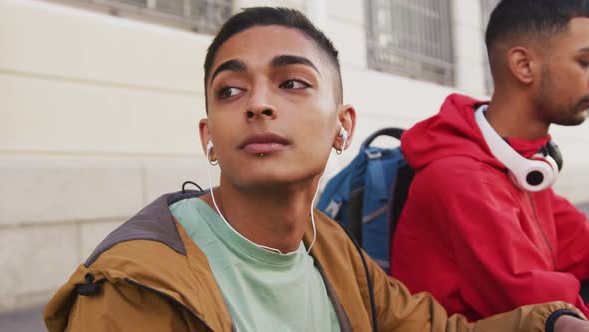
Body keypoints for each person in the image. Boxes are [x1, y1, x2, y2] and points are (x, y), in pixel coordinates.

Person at [44, 6, 588, 332]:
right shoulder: (133, 289)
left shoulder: (329, 247)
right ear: (209, 138)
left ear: (342, 127)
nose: (257, 104)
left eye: (292, 83)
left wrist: (549, 321)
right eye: (230, 90)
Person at [391, 0, 589, 323]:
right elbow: (550, 313)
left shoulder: (522, 165)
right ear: (524, 66)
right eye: (584, 62)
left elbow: (579, 242)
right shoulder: (463, 181)